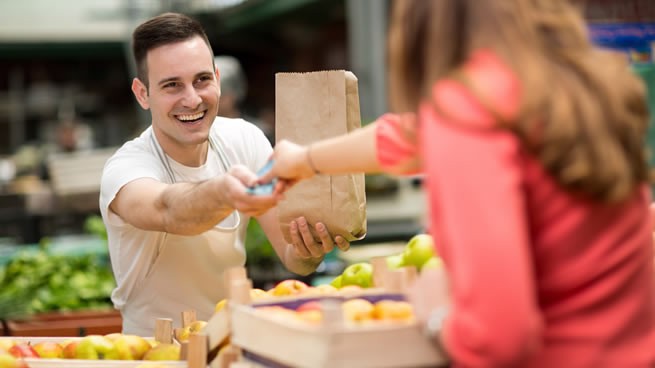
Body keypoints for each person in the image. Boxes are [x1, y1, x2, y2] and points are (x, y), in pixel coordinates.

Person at [260, 0, 655, 366]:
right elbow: (409, 137)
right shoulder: (573, 86)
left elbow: (502, 337)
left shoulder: (469, 113)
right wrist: (305, 160)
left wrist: (436, 314)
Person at [99, 12, 349, 336]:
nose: (192, 99)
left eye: (202, 80)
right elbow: (167, 209)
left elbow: (291, 256)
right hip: (154, 352)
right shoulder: (125, 168)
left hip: (233, 342)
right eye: (172, 85)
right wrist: (223, 191)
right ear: (143, 93)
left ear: (217, 78)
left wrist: (308, 250)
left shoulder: (244, 139)